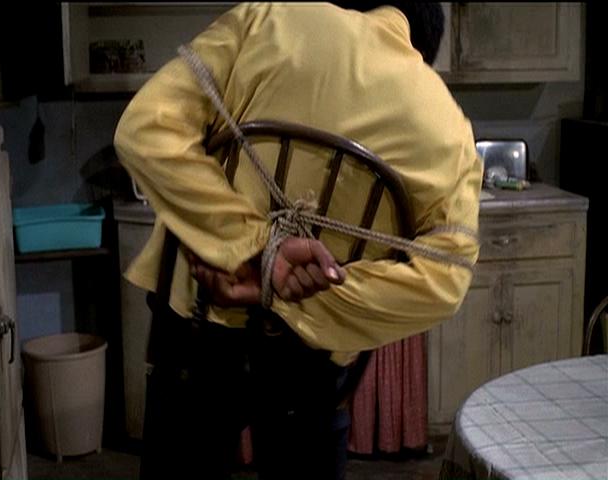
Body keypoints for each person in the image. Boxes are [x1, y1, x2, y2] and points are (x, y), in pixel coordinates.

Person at [113, 2, 483, 479]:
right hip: (312, 365)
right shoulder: (449, 126)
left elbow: (144, 128)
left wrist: (250, 248)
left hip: (197, 327)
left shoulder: (266, 19)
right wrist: (298, 290)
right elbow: (448, 280)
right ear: (421, 49)